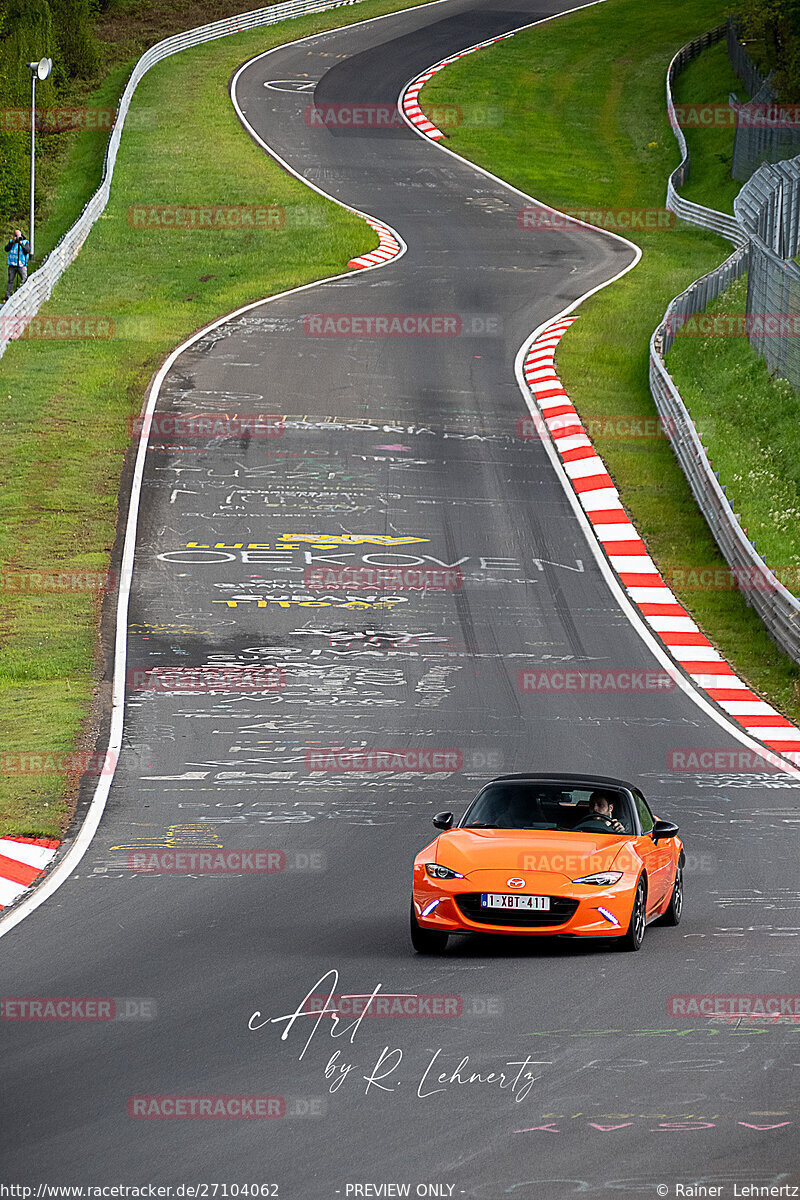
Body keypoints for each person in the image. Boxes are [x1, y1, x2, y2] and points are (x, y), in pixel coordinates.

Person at [5, 228, 31, 301]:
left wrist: (21, 243)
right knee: (10, 280)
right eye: (15, 235)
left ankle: (25, 295)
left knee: (24, 280)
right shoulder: (11, 242)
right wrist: (12, 242)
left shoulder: (25, 242)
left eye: (18, 236)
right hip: (12, 265)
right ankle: (8, 296)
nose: (17, 237)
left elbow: (27, 250)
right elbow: (6, 249)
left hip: (21, 265)